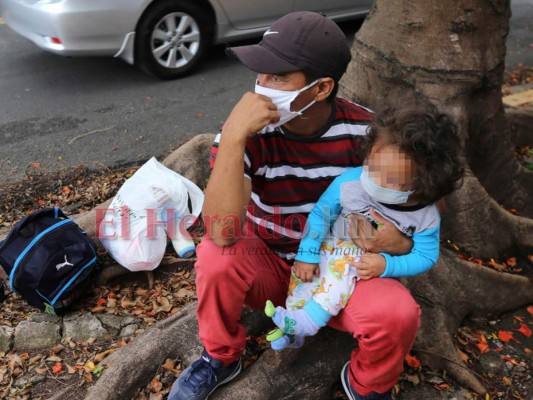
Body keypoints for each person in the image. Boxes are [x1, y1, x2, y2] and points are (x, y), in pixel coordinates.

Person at [169, 11, 420, 400]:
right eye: (260, 73)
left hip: (340, 271)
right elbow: (221, 230)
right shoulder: (247, 133)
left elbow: (406, 212)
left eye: (278, 76)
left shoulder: (368, 135)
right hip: (268, 264)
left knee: (398, 314)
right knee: (215, 257)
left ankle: (366, 384)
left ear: (321, 88)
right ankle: (220, 356)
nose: (261, 87)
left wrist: (399, 242)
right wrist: (235, 136)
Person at [264, 106, 464, 354]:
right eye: (371, 166)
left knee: (340, 275)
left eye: (390, 180)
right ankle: (292, 329)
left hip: (363, 265)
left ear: (423, 185)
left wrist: (387, 265)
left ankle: (308, 321)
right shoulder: (350, 182)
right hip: (330, 246)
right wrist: (307, 254)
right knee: (304, 280)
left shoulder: (425, 216)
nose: (374, 181)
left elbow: (426, 256)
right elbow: (321, 215)